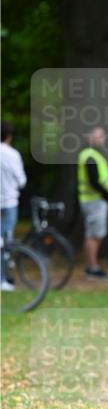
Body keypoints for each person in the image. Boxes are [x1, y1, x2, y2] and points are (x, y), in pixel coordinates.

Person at [77, 126, 108, 279]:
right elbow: (94, 180)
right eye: (98, 136)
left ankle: (92, 266)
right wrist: (106, 195)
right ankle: (92, 267)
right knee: (94, 235)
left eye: (102, 136)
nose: (101, 139)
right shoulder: (90, 156)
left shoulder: (93, 154)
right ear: (89, 137)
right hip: (94, 200)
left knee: (92, 234)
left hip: (93, 200)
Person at [1, 121, 27, 290]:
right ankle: (4, 278)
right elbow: (21, 180)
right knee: (6, 242)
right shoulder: (12, 154)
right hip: (9, 201)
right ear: (9, 137)